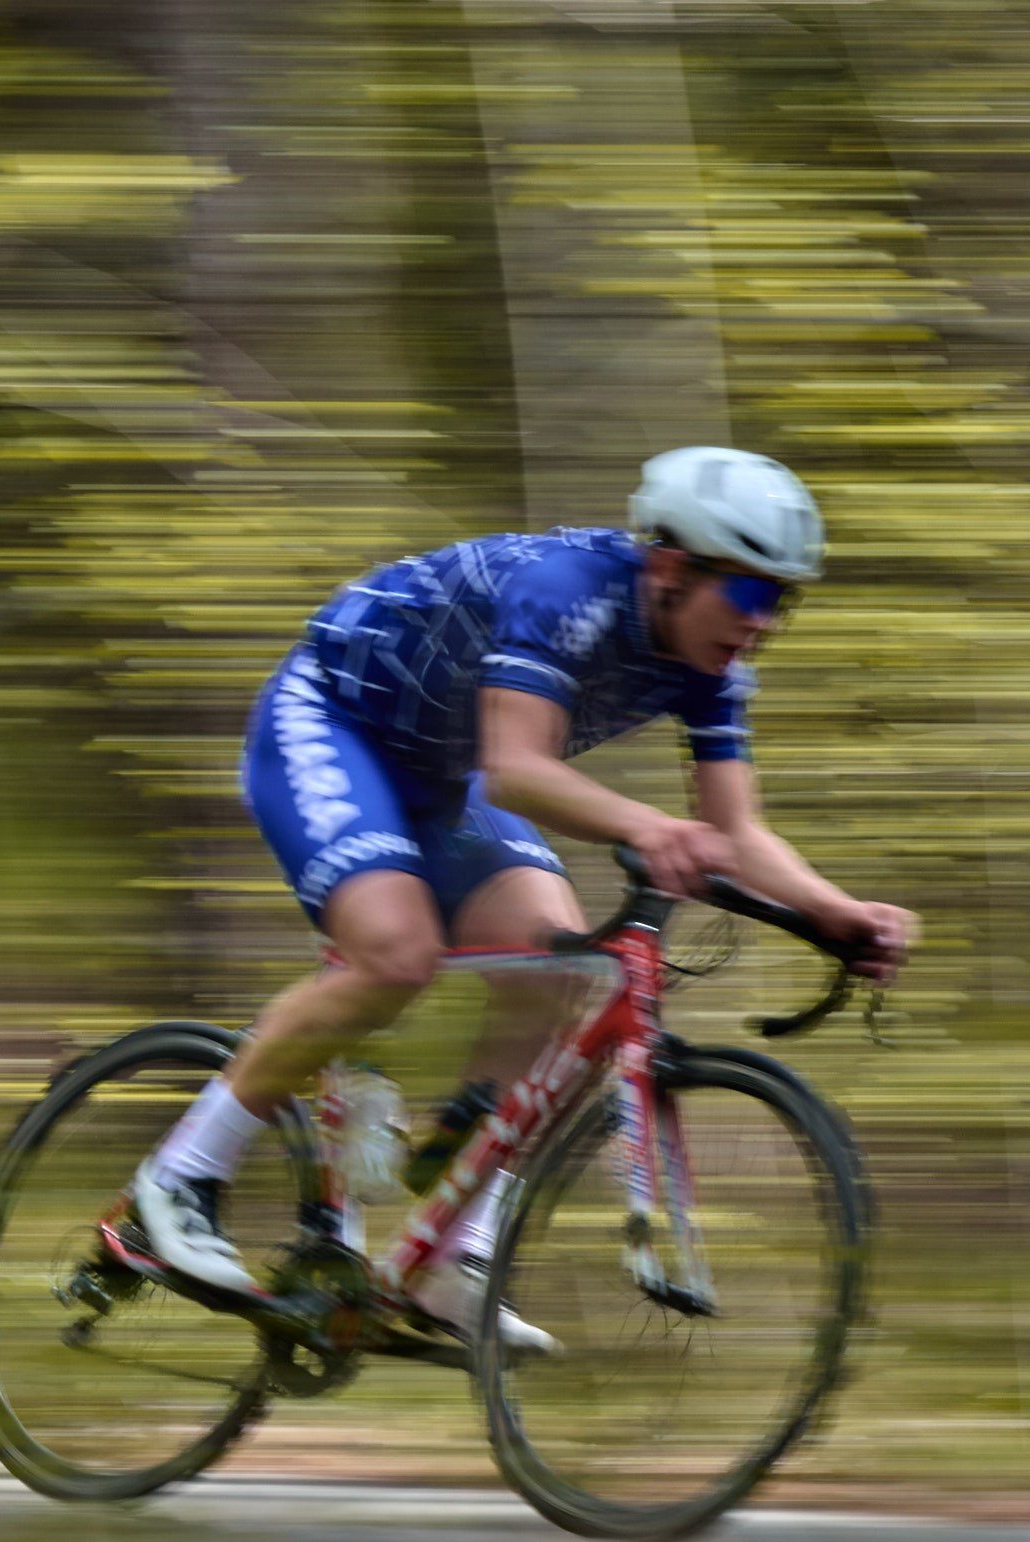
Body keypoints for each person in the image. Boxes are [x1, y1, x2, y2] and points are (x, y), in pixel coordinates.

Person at [123, 447, 913, 1348]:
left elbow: (738, 833)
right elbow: (516, 769)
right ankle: (181, 1178)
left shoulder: (713, 668)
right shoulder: (565, 586)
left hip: (433, 779)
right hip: (332, 720)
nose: (762, 621)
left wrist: (837, 910)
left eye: (781, 600)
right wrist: (649, 827)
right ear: (670, 566)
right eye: (747, 594)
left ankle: (448, 1254)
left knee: (561, 968)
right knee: (396, 952)